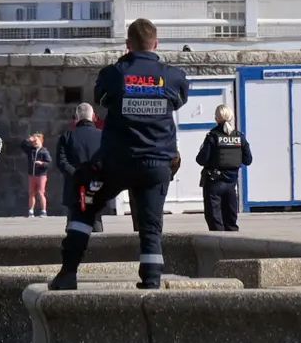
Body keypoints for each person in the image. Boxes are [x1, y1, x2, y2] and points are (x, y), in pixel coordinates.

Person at [50, 19, 189, 290]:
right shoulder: (172, 76)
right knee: (151, 224)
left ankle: (68, 272)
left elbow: (101, 98)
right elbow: (180, 98)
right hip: (158, 163)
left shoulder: (115, 73)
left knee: (84, 202)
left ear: (128, 46)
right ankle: (151, 280)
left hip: (117, 162)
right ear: (156, 44)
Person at [196, 104, 252, 232]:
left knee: (215, 221)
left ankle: (217, 246)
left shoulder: (212, 136)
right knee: (231, 220)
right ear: (231, 117)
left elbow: (201, 160)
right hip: (231, 183)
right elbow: (248, 160)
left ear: (216, 118)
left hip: (214, 183)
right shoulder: (239, 137)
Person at [54, 103, 105, 232]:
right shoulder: (103, 136)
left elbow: (61, 162)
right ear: (93, 117)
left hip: (73, 188)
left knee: (73, 232)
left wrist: (77, 174)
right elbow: (107, 161)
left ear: (76, 117)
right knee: (96, 227)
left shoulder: (67, 137)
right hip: (96, 188)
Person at [23, 133, 52, 218]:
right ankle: (31, 211)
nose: (35, 143)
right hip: (32, 174)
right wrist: (28, 140)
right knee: (31, 193)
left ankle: (43, 211)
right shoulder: (31, 150)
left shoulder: (44, 151)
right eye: (34, 141)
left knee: (40, 192)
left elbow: (49, 163)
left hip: (41, 175)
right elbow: (22, 145)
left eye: (36, 141)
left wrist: (42, 163)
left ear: (41, 141)